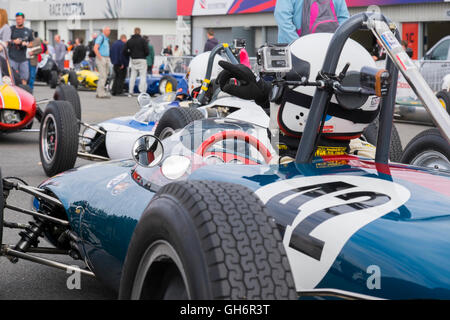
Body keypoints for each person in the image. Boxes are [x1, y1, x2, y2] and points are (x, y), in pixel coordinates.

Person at [274, 0, 349, 43]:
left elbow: (283, 19)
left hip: (294, 53)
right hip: (329, 50)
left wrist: (298, 44)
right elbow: (345, 22)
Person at [8, 12, 33, 85]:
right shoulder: (11, 29)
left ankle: (24, 92)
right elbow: (5, 41)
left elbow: (31, 43)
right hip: (12, 58)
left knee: (24, 78)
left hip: (23, 59)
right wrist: (14, 41)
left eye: (19, 19)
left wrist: (26, 44)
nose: (18, 21)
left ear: (23, 19)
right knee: (11, 78)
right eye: (17, 19)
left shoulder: (28, 31)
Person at [124, 27, 149, 96]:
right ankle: (142, 92)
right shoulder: (143, 40)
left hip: (133, 59)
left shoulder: (129, 41)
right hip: (142, 59)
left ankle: (130, 92)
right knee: (142, 76)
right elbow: (147, 51)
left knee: (132, 76)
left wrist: (130, 54)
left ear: (134, 32)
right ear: (140, 32)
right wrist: (144, 55)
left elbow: (124, 51)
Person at [94, 27, 111, 98]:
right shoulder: (101, 37)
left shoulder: (106, 39)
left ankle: (99, 92)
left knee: (104, 75)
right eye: (108, 30)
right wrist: (100, 58)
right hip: (102, 58)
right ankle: (101, 93)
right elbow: (95, 48)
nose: (109, 32)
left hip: (106, 58)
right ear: (104, 31)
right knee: (103, 76)